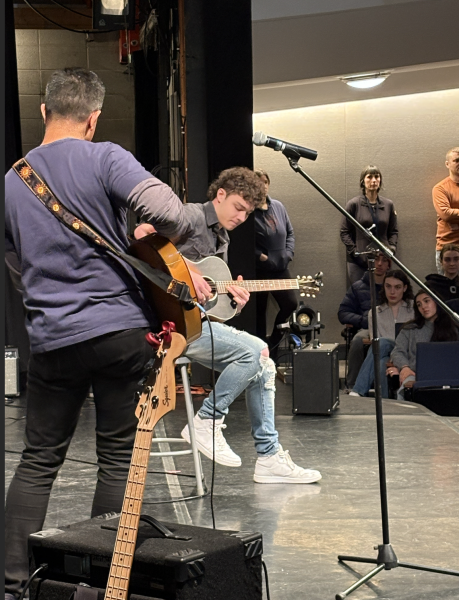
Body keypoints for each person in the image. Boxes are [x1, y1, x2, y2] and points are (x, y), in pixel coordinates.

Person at [4, 68, 212, 600]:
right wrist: (159, 231)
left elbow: (14, 258)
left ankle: (10, 586)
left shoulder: (13, 180)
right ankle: (99, 580)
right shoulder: (105, 157)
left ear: (45, 112)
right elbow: (173, 216)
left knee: (37, 462)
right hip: (121, 333)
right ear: (93, 119)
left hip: (52, 339)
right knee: (118, 458)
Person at [135, 167, 322, 486]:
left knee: (264, 364)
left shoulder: (221, 238)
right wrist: (189, 270)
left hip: (193, 324)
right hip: (166, 326)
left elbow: (207, 306)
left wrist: (231, 298)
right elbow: (141, 236)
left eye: (248, 213)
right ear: (220, 195)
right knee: (257, 352)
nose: (241, 216)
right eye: (238, 207)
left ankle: (268, 457)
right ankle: (208, 420)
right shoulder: (189, 217)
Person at [253, 168, 298, 362]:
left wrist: (288, 253)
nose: (262, 186)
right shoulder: (248, 211)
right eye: (258, 183)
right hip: (259, 271)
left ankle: (274, 345)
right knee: (258, 314)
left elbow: (290, 233)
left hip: (280, 268)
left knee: (290, 304)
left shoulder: (278, 206)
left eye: (265, 182)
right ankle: (260, 355)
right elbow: (244, 244)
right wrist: (262, 257)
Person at [350, 270, 414, 398]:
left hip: (406, 353)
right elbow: (375, 343)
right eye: (388, 286)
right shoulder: (375, 312)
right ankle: (386, 405)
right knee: (380, 363)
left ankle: (358, 390)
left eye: (397, 287)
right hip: (384, 353)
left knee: (382, 342)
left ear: (405, 288)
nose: (392, 292)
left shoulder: (413, 309)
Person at [389, 289, 459, 399]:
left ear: (437, 302)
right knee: (406, 385)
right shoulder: (409, 329)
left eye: (427, 301)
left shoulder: (454, 328)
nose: (423, 307)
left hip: (449, 376)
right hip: (415, 375)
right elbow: (397, 352)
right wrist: (404, 367)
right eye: (419, 304)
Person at [338, 252, 391, 390]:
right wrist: (365, 320)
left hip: (393, 327)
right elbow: (343, 313)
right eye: (375, 260)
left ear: (388, 265)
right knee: (358, 340)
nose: (379, 264)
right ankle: (353, 385)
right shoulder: (357, 287)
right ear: (369, 263)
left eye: (384, 260)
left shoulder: (393, 285)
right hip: (368, 327)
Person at [340, 165, 398, 284]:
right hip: (359, 262)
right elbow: (344, 232)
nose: (373, 180)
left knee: (382, 295)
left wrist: (391, 248)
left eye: (376, 177)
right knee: (361, 296)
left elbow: (393, 231)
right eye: (369, 177)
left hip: (382, 261)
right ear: (363, 181)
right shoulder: (353, 204)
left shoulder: (388, 205)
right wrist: (355, 253)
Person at [432, 147, 459, 274]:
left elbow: (451, 213)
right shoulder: (440, 188)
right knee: (446, 290)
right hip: (447, 249)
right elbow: (446, 214)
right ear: (447, 164)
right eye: (456, 160)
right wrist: (451, 213)